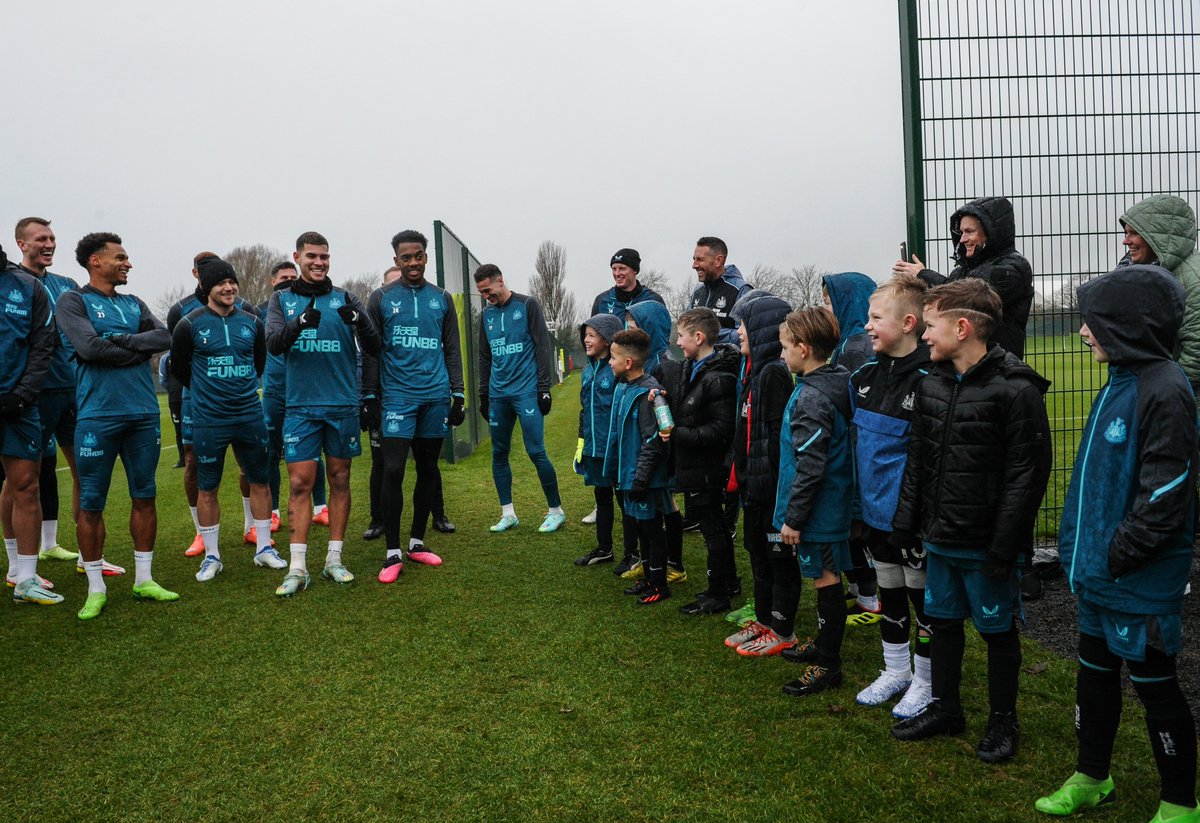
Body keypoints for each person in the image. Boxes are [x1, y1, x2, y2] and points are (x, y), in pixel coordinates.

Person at [1036, 266, 1199, 822]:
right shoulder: (1120, 380)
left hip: (1137, 578)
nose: (1084, 332)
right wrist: (1082, 551)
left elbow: (1166, 494)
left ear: (1130, 324)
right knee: (1095, 674)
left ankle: (1180, 804)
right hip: (1099, 574)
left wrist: (1115, 553)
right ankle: (1092, 776)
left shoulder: (1166, 389)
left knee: (1156, 687)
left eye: (1094, 322)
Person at [890, 278, 1052, 764]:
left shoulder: (1017, 390)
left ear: (962, 328)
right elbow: (918, 460)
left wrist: (1004, 549)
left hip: (986, 547)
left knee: (997, 631)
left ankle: (1003, 720)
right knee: (941, 623)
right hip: (940, 539)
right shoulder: (931, 384)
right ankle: (946, 708)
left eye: (931, 325)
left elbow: (1026, 479)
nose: (924, 336)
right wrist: (905, 523)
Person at [57, 232, 177, 619]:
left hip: (143, 414)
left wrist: (121, 341)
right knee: (92, 503)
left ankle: (144, 580)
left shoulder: (133, 303)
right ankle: (96, 588)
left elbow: (164, 336)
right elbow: (88, 348)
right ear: (96, 261)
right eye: (120, 258)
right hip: (97, 415)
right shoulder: (73, 301)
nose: (128, 264)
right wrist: (136, 349)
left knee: (145, 496)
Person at [265, 231, 380, 596]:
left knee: (340, 480)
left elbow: (376, 345)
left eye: (324, 257)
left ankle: (334, 559)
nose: (319, 262)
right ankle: (297, 568)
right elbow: (273, 344)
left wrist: (360, 320)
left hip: (342, 405)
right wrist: (298, 324)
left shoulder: (346, 297)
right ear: (297, 257)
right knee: (300, 483)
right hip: (301, 407)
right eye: (312, 256)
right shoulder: (281, 299)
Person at [849, 276, 935, 719]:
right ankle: (896, 670)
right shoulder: (863, 376)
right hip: (874, 514)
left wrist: (912, 515)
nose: (867, 325)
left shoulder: (930, 380)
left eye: (876, 317)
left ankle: (927, 680)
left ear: (908, 323)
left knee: (923, 603)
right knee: (890, 592)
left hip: (911, 519)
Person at [171, 256, 285, 580]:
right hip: (210, 419)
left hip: (249, 415)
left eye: (232, 281)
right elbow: (180, 369)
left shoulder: (252, 323)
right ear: (207, 287)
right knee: (208, 487)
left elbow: (258, 364)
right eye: (221, 282)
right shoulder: (189, 324)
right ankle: (212, 556)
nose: (228, 287)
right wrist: (210, 394)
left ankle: (264, 548)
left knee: (260, 481)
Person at [364, 230, 464, 583]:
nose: (413, 263)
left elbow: (452, 348)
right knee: (393, 470)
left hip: (435, 397)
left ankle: (417, 543)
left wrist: (458, 393)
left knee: (428, 469)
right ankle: (392, 550)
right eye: (405, 258)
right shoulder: (380, 298)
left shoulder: (442, 299)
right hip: (396, 398)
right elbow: (372, 352)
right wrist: (369, 397)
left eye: (418, 256)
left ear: (425, 257)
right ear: (396, 260)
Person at [767, 308, 854, 689]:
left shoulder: (813, 397)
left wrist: (794, 518)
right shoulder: (824, 383)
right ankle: (822, 644)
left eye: (785, 347)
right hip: (823, 507)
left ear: (803, 349)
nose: (781, 354)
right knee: (823, 576)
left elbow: (811, 465)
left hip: (821, 511)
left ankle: (828, 666)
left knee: (826, 579)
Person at [9, 218, 85, 568]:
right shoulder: (13, 284)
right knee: (20, 481)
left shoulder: (67, 285)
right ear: (21, 244)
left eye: (52, 238)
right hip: (34, 396)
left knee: (85, 472)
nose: (49, 244)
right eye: (41, 238)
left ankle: (87, 555)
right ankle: (16, 565)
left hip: (74, 390)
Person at [722, 289, 793, 642]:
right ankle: (764, 620)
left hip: (770, 491)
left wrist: (775, 488)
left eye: (744, 325)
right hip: (752, 486)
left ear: (762, 331)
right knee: (757, 553)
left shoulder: (774, 375)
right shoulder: (752, 373)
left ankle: (782, 628)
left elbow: (780, 438)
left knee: (777, 557)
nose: (738, 332)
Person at [474, 263, 564, 533]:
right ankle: (508, 513)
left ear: (500, 280)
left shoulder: (527, 305)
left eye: (488, 290)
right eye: (481, 293)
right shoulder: (486, 315)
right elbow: (484, 356)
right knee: (499, 452)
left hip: (526, 392)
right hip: (498, 395)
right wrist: (483, 394)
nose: (486, 296)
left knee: (536, 451)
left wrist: (543, 388)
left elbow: (541, 346)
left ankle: (556, 511)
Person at [663, 308, 741, 615]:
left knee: (713, 529)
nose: (677, 341)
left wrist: (678, 434)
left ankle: (716, 593)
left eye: (681, 335)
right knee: (715, 525)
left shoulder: (719, 377)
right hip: (695, 466)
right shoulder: (692, 368)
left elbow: (721, 431)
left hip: (708, 468)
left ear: (698, 337)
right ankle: (729, 582)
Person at [893, 196, 1034, 359]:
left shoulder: (1012, 268)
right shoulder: (962, 271)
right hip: (962, 363)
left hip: (995, 364)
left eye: (969, 231)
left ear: (990, 232)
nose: (962, 239)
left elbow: (967, 299)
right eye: (961, 232)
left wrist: (924, 275)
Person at [821, 270, 883, 625]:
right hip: (856, 448)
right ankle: (861, 588)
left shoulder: (857, 347)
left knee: (854, 528)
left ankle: (870, 598)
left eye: (830, 301)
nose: (827, 308)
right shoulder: (849, 342)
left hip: (857, 451)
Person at [0, 241, 58, 604]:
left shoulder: (27, 286)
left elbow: (42, 346)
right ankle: (14, 569)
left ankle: (25, 578)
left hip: (17, 406)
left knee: (25, 486)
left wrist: (21, 394)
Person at [259, 261, 330, 537]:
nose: (288, 280)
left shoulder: (311, 304)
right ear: (272, 281)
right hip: (276, 391)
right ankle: (274, 512)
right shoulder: (264, 310)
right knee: (271, 453)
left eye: (292, 276)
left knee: (313, 452)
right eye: (283, 277)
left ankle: (320, 507)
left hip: (304, 390)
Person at [620, 300, 687, 583]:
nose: (629, 331)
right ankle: (652, 562)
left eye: (633, 326)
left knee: (666, 505)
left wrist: (665, 455)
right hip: (651, 454)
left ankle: (674, 565)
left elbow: (667, 418)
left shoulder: (664, 365)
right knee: (659, 507)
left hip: (662, 454)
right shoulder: (645, 364)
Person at [604, 328, 672, 605]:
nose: (610, 362)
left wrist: (641, 480)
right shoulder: (626, 388)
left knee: (652, 531)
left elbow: (653, 441)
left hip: (644, 480)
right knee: (641, 529)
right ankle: (648, 577)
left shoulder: (648, 393)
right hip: (630, 477)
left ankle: (659, 584)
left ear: (628, 362)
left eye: (613, 357)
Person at [1117, 194, 1200, 390]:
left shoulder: (1193, 279)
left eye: (1134, 233)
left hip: (1183, 399)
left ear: (1158, 236)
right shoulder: (1149, 271)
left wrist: (1163, 391)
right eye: (1126, 233)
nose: (1126, 241)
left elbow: (1196, 352)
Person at [572, 313, 623, 566]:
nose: (586, 340)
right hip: (594, 448)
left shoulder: (617, 370)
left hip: (616, 449)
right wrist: (582, 442)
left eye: (592, 335)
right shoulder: (587, 370)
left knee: (625, 501)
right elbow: (585, 410)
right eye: (585, 335)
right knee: (602, 499)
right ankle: (605, 549)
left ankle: (635, 554)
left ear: (607, 339)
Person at [690, 236, 753, 345]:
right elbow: (687, 329)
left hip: (728, 356)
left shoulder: (741, 290)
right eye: (694, 259)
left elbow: (745, 335)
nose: (694, 265)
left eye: (700, 260)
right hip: (699, 357)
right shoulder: (697, 291)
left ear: (718, 261)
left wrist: (709, 333)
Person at [590, 248, 665, 317]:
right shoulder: (602, 301)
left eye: (622, 269)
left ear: (635, 270)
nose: (617, 274)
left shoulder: (653, 300)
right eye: (614, 269)